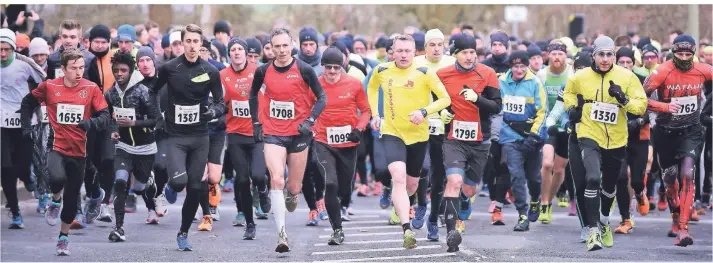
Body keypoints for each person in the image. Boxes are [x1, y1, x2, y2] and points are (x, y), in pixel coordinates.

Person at [19, 48, 111, 255]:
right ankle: (55, 198)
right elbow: (27, 102)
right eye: (74, 68)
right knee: (56, 177)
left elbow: (106, 116)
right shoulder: (50, 87)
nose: (79, 72)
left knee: (72, 200)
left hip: (79, 151)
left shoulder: (91, 88)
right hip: (56, 144)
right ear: (62, 69)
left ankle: (63, 238)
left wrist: (91, 123)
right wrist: (26, 127)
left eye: (81, 68)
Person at [366, 34, 451, 249]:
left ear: (415, 52)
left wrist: (424, 111)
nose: (403, 55)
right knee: (398, 177)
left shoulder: (425, 73)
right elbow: (372, 88)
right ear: (392, 52)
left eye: (408, 51)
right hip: (392, 132)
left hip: (418, 135)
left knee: (411, 185)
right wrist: (375, 114)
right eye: (399, 51)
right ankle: (407, 230)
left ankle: (403, 202)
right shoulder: (382, 71)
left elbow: (445, 99)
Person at [147, 24, 226, 251]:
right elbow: (153, 91)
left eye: (196, 42)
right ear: (182, 43)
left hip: (200, 136)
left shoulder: (210, 71)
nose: (192, 46)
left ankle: (183, 232)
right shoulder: (170, 68)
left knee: (195, 186)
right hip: (176, 137)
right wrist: (157, 118)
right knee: (180, 182)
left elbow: (221, 104)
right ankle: (172, 185)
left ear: (202, 44)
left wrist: (212, 112)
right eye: (188, 41)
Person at [564, 35, 647, 251]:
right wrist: (575, 109)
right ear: (594, 55)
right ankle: (592, 231)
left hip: (617, 139)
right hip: (589, 134)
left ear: (615, 56)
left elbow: (641, 106)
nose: (605, 59)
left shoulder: (627, 77)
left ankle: (603, 221)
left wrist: (623, 99)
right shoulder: (580, 77)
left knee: (609, 186)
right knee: (592, 178)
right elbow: (569, 95)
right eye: (601, 54)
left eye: (610, 54)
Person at [248, 27, 327, 253]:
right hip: (273, 132)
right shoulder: (263, 71)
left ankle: (293, 194)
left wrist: (309, 121)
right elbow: (252, 95)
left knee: (293, 187)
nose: (281, 50)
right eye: (276, 46)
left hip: (299, 134)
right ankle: (282, 234)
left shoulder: (304, 69)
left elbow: (322, 97)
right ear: (270, 48)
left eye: (285, 45)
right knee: (276, 179)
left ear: (292, 45)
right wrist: (256, 123)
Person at [644, 34, 711, 247]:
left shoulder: (703, 69)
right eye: (679, 53)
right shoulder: (661, 71)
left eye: (687, 54)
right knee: (670, 180)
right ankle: (675, 217)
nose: (683, 57)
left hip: (691, 130)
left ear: (694, 54)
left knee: (688, 174)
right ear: (673, 52)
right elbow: (638, 98)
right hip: (665, 131)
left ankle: (684, 228)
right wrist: (664, 107)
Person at [435, 33, 500, 251]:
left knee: (469, 189)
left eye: (473, 52)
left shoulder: (488, 73)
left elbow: (496, 106)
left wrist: (477, 99)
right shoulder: (442, 75)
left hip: (480, 140)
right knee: (453, 181)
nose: (470, 56)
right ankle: (452, 233)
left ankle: (464, 198)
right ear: (455, 54)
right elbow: (436, 102)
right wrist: (442, 114)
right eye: (465, 52)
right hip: (453, 139)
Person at [311, 47, 371, 245]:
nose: (332, 71)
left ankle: (344, 202)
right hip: (323, 141)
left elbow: (365, 111)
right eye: (328, 67)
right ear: (323, 67)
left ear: (342, 67)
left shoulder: (354, 84)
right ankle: (337, 230)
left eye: (336, 67)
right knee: (330, 183)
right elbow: (305, 109)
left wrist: (359, 129)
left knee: (345, 189)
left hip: (348, 142)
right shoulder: (315, 85)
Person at [104, 51, 160, 241]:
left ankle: (149, 183)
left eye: (123, 70)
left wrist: (135, 123)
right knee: (120, 182)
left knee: (139, 187)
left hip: (145, 148)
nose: (119, 74)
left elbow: (156, 120)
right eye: (116, 70)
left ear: (131, 71)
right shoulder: (111, 93)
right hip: (124, 147)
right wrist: (113, 131)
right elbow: (108, 117)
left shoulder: (143, 91)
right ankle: (118, 228)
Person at [222, 37, 269, 239]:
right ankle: (250, 224)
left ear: (245, 52)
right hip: (235, 134)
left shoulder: (259, 71)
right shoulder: (222, 75)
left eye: (240, 49)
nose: (237, 52)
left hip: (257, 133)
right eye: (233, 49)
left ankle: (264, 188)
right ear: (229, 54)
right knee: (241, 180)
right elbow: (220, 101)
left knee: (258, 175)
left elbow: (272, 95)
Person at [410, 28, 456, 233]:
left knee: (439, 175)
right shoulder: (415, 63)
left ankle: (433, 219)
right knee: (421, 168)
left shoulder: (451, 63)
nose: (436, 49)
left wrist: (451, 112)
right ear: (425, 47)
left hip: (442, 123)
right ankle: (421, 204)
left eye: (439, 44)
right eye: (432, 45)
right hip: (418, 122)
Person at [498, 50, 547, 232]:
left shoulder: (535, 82)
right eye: (515, 66)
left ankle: (535, 199)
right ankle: (523, 215)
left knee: (534, 177)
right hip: (510, 137)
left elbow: (542, 111)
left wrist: (533, 136)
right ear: (510, 67)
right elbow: (498, 109)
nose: (519, 70)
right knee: (516, 176)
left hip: (532, 138)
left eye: (522, 66)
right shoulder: (501, 82)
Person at [1, 28, 45, 229]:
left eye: (6, 49)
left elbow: (43, 80)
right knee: (5, 168)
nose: (2, 54)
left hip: (24, 122)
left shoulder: (23, 64)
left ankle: (28, 178)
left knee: (22, 165)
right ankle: (16, 213)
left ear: (12, 49)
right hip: (2, 123)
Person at [611, 46, 651, 235]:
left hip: (639, 138)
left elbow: (652, 109)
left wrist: (638, 121)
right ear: (616, 63)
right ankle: (625, 219)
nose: (625, 65)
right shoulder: (609, 81)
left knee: (635, 181)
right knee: (619, 177)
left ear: (634, 64)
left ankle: (640, 192)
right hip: (617, 137)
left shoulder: (643, 82)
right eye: (622, 62)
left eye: (629, 62)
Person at [536, 42, 574, 224]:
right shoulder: (542, 75)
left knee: (559, 170)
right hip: (548, 126)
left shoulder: (572, 75)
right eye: (553, 54)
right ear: (548, 56)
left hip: (566, 127)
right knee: (547, 164)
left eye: (560, 53)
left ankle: (549, 201)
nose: (557, 57)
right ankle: (543, 202)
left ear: (566, 56)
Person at [137, 46, 169, 218]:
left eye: (148, 60)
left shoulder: (164, 80)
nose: (145, 64)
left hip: (163, 132)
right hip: (141, 134)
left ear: (154, 62)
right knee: (144, 174)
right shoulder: (134, 83)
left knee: (160, 166)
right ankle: (150, 208)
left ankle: (160, 193)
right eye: (141, 61)